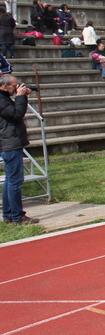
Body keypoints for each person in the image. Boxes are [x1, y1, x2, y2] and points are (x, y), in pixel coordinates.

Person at [0, 75, 38, 225]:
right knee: (15, 181)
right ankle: (17, 216)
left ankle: (9, 215)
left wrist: (22, 97)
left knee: (10, 180)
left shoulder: (5, 98)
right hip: (10, 143)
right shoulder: (1, 100)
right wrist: (20, 97)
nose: (16, 88)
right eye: (13, 86)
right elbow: (16, 115)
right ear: (4, 85)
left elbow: (15, 111)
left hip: (11, 142)